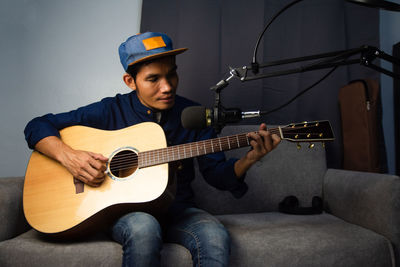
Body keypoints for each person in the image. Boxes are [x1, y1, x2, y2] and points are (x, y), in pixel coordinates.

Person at [24, 32, 281, 267]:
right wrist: (70, 158)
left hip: (178, 208)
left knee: (214, 235)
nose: (167, 86)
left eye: (172, 74)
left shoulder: (194, 115)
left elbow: (216, 175)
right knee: (143, 227)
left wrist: (250, 158)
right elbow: (37, 125)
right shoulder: (109, 110)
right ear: (130, 81)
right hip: (123, 212)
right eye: (153, 79)